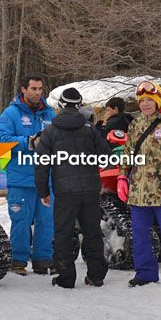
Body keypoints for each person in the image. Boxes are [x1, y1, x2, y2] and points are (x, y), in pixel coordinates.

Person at [35, 87, 112, 289]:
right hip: (90, 190)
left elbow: (41, 165)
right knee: (93, 232)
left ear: (61, 105)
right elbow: (106, 156)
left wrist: (43, 192)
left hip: (65, 192)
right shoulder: (90, 129)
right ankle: (96, 276)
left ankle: (66, 278)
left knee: (63, 234)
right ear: (79, 106)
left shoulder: (50, 131)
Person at [117, 81, 161, 287]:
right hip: (138, 191)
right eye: (143, 100)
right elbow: (127, 154)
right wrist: (122, 177)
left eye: (150, 100)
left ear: (158, 101)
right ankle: (146, 272)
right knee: (139, 235)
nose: (146, 104)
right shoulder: (135, 125)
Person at [0, 74, 57, 276]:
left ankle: (42, 260)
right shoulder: (10, 114)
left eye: (40, 89)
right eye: (33, 89)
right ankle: (18, 260)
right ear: (23, 89)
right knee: (21, 221)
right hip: (21, 179)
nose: (38, 93)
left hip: (46, 180)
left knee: (46, 221)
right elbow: (2, 140)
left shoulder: (49, 114)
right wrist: (29, 142)